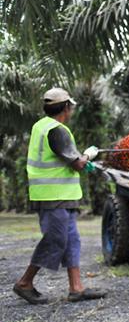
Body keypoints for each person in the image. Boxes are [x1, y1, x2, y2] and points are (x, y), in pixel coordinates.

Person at [13, 88, 106, 304]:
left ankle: (76, 288)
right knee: (56, 240)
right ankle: (24, 283)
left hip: (59, 196)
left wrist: (82, 159)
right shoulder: (58, 130)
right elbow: (78, 164)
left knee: (72, 240)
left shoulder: (40, 126)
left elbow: (60, 160)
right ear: (66, 107)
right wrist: (89, 154)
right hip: (53, 196)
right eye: (70, 107)